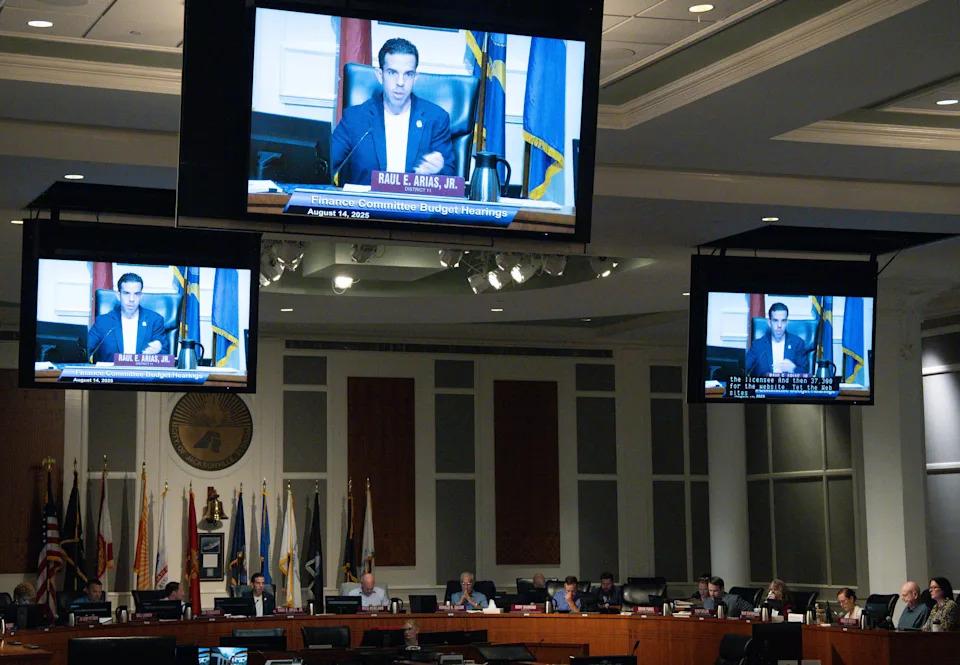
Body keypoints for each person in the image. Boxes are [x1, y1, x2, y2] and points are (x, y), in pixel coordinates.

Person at [330, 38, 456, 187]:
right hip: (366, 207)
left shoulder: (436, 119)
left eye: (408, 74)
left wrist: (437, 171)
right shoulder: (354, 119)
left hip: (414, 207)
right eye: (392, 73)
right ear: (379, 75)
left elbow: (451, 180)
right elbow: (328, 166)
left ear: (415, 78)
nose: (400, 82)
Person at [87, 273, 168, 362]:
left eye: (136, 294)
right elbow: (85, 351)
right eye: (126, 293)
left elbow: (166, 357)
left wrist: (158, 351)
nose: (132, 299)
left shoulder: (154, 321)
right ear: (118, 295)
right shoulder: (103, 322)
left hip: (142, 374)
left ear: (141, 296)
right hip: (111, 375)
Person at [745, 303, 810, 376]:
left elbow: (806, 374)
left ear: (787, 322)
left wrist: (793, 368)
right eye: (775, 320)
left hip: (788, 386)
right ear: (769, 322)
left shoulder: (797, 343)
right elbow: (744, 369)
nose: (779, 325)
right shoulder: (758, 345)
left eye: (783, 321)